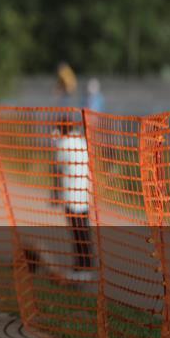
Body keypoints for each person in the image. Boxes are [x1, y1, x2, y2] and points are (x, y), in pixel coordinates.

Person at [54, 119, 94, 281]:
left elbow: (57, 168)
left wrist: (54, 194)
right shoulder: (81, 141)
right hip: (84, 193)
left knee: (77, 233)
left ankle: (81, 268)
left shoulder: (63, 145)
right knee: (84, 231)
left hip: (71, 195)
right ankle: (86, 266)